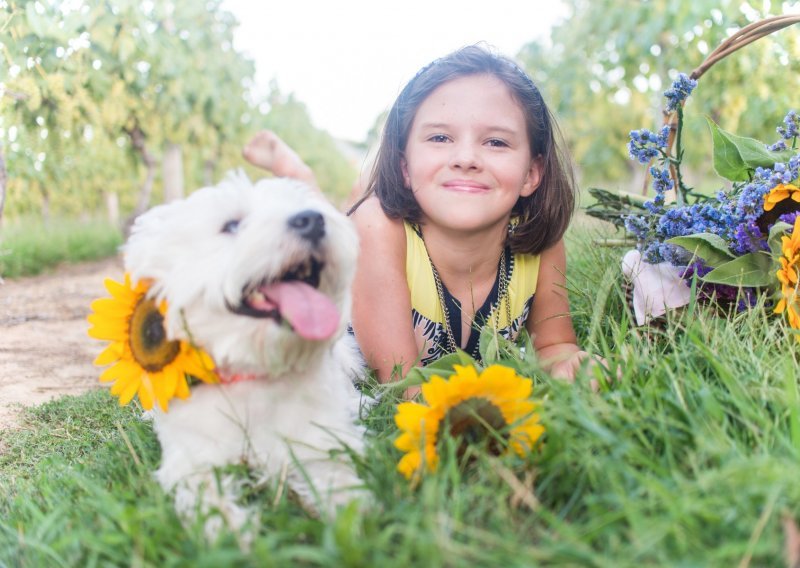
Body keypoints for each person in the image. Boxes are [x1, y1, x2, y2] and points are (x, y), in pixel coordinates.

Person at [243, 45, 602, 389]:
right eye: (440, 137)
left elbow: (555, 347)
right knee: (334, 227)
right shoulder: (379, 230)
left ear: (531, 173)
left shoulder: (539, 245)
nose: (466, 158)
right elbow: (402, 386)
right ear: (404, 167)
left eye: (496, 143)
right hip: (345, 283)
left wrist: (574, 367)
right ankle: (300, 180)